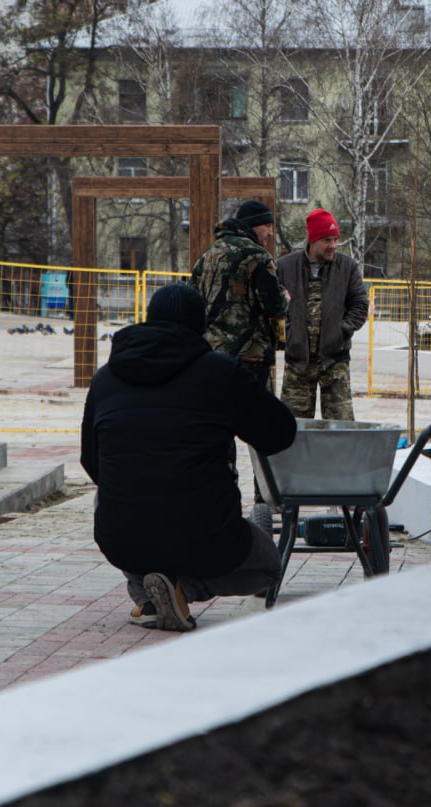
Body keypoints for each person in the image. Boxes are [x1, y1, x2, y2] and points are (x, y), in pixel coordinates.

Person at [80, 284, 297, 632]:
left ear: (148, 321)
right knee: (268, 567)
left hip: (124, 537)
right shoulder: (219, 372)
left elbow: (92, 463)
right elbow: (280, 434)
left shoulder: (105, 379)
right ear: (200, 327)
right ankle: (185, 590)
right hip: (207, 535)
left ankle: (153, 598)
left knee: (107, 500)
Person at [277, 208, 369, 420]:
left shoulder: (347, 267)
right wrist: (287, 335)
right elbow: (274, 308)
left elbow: (360, 305)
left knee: (342, 429)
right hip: (297, 362)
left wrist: (342, 330)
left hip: (335, 361)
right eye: (327, 240)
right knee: (292, 430)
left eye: (336, 239)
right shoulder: (284, 267)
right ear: (312, 240)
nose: (333, 246)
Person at [188, 199, 288, 390]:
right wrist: (286, 297)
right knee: (254, 415)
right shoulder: (258, 256)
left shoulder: (208, 254)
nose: (270, 232)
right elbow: (274, 306)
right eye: (267, 226)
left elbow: (192, 300)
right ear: (253, 225)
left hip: (212, 355)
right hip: (251, 357)